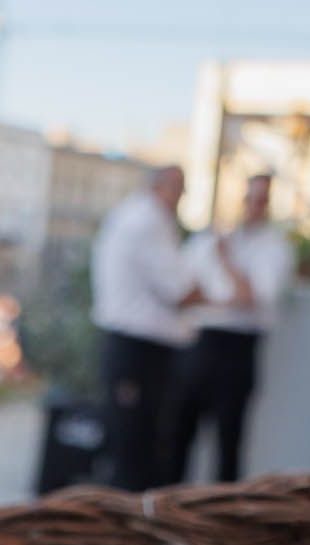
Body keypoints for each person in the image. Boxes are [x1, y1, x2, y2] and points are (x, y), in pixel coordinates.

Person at [167, 172, 289, 483]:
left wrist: (228, 264)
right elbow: (181, 292)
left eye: (262, 200)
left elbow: (251, 298)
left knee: (229, 444)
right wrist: (221, 299)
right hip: (200, 344)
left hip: (238, 351)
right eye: (251, 198)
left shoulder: (274, 248)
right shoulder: (208, 240)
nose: (254, 206)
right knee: (177, 436)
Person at [91, 165, 205, 490]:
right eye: (179, 187)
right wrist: (213, 293)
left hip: (135, 349)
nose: (182, 196)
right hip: (139, 352)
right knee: (136, 451)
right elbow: (180, 291)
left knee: (134, 446)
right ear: (163, 186)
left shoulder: (137, 215)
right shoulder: (148, 221)